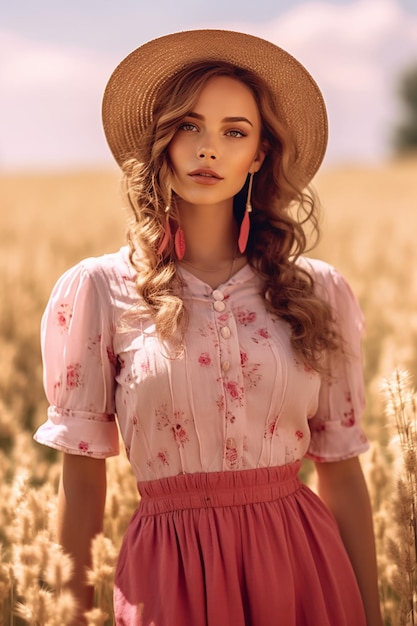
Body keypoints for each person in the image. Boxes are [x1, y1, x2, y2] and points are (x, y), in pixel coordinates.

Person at [34, 29, 383, 626]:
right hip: (168, 579)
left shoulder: (317, 292)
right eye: (189, 126)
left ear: (260, 154)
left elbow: (342, 470)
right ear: (161, 142)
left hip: (302, 567)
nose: (209, 149)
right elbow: (83, 485)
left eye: (235, 132)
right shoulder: (97, 290)